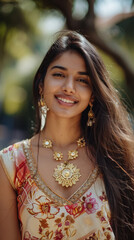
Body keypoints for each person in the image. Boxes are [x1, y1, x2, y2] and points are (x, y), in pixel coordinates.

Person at [0, 31, 134, 240]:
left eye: (82, 80)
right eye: (59, 75)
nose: (69, 87)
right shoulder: (9, 164)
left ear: (92, 94)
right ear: (41, 83)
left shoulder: (115, 157)